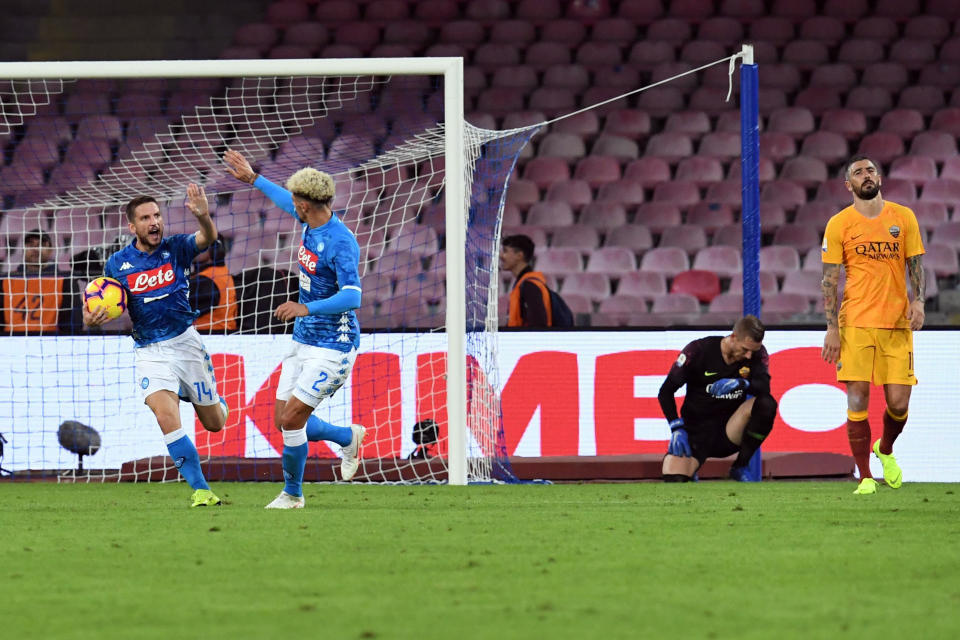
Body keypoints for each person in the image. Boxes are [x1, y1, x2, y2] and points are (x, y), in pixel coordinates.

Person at [223, 148, 366, 509]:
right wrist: (253, 178)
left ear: (305, 203)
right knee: (283, 419)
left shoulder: (340, 242)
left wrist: (306, 306)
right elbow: (283, 199)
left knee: (291, 419)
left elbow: (352, 296)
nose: (292, 204)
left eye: (295, 200)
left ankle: (293, 494)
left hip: (334, 345)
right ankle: (347, 437)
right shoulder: (310, 220)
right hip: (303, 338)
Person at [83, 185, 228, 508]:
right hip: (149, 351)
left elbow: (207, 238)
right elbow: (98, 302)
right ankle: (201, 489)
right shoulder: (117, 265)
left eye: (157, 215)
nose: (154, 222)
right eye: (146, 218)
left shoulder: (176, 248)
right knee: (165, 416)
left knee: (215, 423)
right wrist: (92, 319)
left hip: (185, 344)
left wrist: (203, 216)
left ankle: (216, 404)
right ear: (132, 227)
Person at [821, 155, 925, 496]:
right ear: (848, 185)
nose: (867, 176)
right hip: (855, 324)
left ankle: (886, 449)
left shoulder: (903, 217)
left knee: (898, 404)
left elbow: (915, 264)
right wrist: (832, 328)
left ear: (879, 178)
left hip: (896, 323)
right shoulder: (839, 224)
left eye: (871, 170)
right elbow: (829, 280)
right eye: (858, 172)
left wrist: (919, 301)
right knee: (857, 397)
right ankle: (865, 476)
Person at [658, 315, 777, 482]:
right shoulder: (698, 350)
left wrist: (742, 383)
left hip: (730, 430)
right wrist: (676, 427)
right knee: (674, 477)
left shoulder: (757, 354)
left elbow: (765, 388)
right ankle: (691, 469)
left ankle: (740, 465)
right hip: (696, 431)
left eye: (753, 351)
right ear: (733, 337)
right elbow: (665, 392)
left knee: (767, 404)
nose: (749, 356)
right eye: (744, 349)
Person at [2, 228, 76, 334]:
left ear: (50, 250)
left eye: (41, 244)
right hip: (11, 342)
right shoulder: (6, 280)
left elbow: (72, 323)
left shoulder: (64, 281)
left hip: (50, 342)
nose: (35, 248)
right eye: (30, 244)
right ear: (23, 250)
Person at [500, 234, 550, 327]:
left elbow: (539, 326)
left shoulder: (529, 286)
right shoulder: (524, 283)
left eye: (505, 251)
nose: (501, 256)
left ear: (519, 255)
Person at [189, 237, 238, 333]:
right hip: (215, 334)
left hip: (211, 335)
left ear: (214, 250)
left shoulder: (207, 280)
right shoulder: (218, 272)